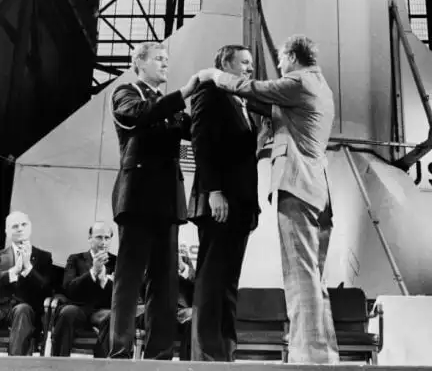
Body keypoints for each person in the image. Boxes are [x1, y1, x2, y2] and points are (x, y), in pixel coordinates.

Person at [199, 35, 339, 364]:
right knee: (313, 279)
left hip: (298, 185)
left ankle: (308, 356)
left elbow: (258, 90)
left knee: (299, 275)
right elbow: (268, 104)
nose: (278, 65)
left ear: (292, 56)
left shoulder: (299, 80)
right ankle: (321, 351)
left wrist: (215, 76)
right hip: (317, 188)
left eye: (280, 59)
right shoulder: (319, 86)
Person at [108, 41, 199, 360]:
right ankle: (119, 351)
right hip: (137, 197)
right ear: (139, 64)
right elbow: (138, 116)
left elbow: (194, 130)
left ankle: (159, 356)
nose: (164, 64)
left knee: (165, 281)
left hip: (167, 201)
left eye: (166, 59)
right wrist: (184, 93)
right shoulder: (125, 92)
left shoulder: (169, 104)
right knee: (129, 278)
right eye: (158, 59)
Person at [189, 44, 261, 361]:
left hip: (241, 205)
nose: (249, 68)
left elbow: (244, 158)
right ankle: (205, 353)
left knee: (230, 279)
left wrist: (252, 206)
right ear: (225, 64)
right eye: (244, 62)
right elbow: (201, 141)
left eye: (251, 63)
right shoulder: (210, 92)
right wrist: (213, 191)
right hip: (219, 201)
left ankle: (225, 351)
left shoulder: (243, 102)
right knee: (212, 278)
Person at [51, 221, 115, 357]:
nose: (103, 242)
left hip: (102, 310)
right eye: (99, 237)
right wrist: (93, 272)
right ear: (89, 238)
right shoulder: (75, 259)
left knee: (113, 317)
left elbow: (119, 294)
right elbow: (69, 289)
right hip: (78, 307)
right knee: (67, 312)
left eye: (107, 238)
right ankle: (58, 364)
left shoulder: (117, 262)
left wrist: (104, 280)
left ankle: (101, 365)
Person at [0, 211, 53, 355]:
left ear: (30, 227)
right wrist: (13, 271)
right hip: (1, 307)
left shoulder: (44, 257)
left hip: (26, 311)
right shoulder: (1, 256)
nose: (20, 228)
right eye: (15, 226)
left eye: (24, 224)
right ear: (7, 231)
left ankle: (14, 366)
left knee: (22, 310)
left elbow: (46, 289)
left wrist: (28, 268)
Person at [176, 242, 195, 360]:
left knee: (192, 324)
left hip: (186, 318)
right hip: (161, 314)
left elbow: (199, 294)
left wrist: (182, 267)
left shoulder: (189, 272)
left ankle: (187, 366)